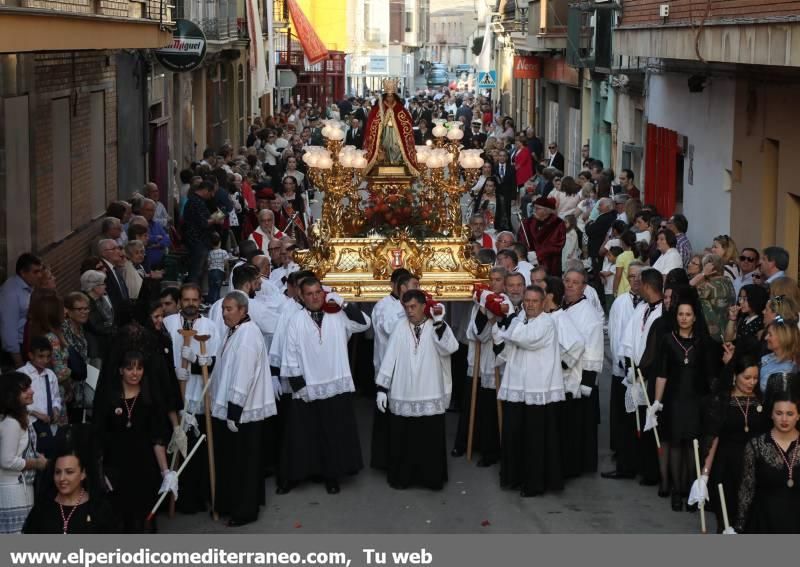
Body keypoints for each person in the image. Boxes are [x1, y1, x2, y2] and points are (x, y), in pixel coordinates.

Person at [278, 279, 371, 495]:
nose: (315, 297)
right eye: (309, 294)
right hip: (308, 387)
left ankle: (332, 476)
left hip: (335, 384)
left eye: (318, 292)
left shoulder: (337, 315)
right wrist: (299, 387)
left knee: (333, 434)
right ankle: (296, 476)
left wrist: (344, 304)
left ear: (324, 293)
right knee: (301, 436)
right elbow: (290, 356)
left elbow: (364, 323)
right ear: (301, 296)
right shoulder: (296, 320)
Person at [375, 290, 458, 490]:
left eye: (413, 307)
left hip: (430, 389)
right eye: (406, 307)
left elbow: (451, 347)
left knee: (429, 439)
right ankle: (403, 478)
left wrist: (439, 323)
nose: (409, 311)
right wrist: (382, 388)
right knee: (404, 439)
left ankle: (432, 479)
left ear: (423, 306)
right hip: (403, 391)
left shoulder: (436, 325)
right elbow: (389, 358)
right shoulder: (399, 328)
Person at [209, 292, 278, 527]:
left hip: (242, 412)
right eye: (223, 309)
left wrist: (234, 409)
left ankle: (244, 510)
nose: (224, 313)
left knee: (243, 464)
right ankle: (236, 503)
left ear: (243, 310)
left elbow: (243, 374)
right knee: (239, 462)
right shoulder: (235, 331)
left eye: (229, 309)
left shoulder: (247, 335)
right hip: (236, 409)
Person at [493, 285, 564, 496]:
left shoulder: (547, 323)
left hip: (537, 389)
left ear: (543, 303)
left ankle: (534, 484)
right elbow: (506, 341)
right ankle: (513, 477)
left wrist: (508, 331)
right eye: (527, 301)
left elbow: (526, 340)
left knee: (534, 440)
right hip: (517, 385)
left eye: (534, 301)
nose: (530, 305)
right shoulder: (520, 320)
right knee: (514, 435)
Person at [650, 291, 716, 511]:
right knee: (676, 444)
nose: (684, 318)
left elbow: (709, 374)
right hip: (674, 400)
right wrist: (657, 402)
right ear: (676, 316)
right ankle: (677, 490)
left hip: (696, 400)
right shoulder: (668, 340)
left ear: (695, 317)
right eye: (681, 314)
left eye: (688, 314)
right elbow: (662, 373)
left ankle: (689, 489)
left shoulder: (701, 342)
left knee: (692, 446)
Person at [92, 351, 171, 533]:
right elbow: (99, 436)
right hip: (116, 469)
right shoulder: (109, 398)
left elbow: (157, 438)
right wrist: (99, 471)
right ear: (120, 370)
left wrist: (165, 471)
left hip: (145, 468)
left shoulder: (149, 398)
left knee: (144, 520)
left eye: (139, 368)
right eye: (129, 368)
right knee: (120, 520)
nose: (135, 373)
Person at [162, 283, 219, 514]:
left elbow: (213, 361)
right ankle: (175, 498)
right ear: (179, 302)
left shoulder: (210, 326)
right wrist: (174, 374)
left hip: (198, 392)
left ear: (200, 301)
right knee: (176, 446)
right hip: (175, 392)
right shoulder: (169, 324)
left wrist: (195, 361)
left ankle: (199, 496)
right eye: (186, 300)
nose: (191, 304)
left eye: (195, 300)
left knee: (197, 449)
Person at [700, 353, 768, 533]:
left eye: (755, 378)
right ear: (734, 376)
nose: (751, 382)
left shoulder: (762, 401)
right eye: (747, 377)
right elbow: (712, 438)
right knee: (726, 520)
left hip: (754, 470)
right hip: (726, 468)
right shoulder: (721, 401)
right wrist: (704, 476)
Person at [734, 381, 800, 533]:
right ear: (771, 414)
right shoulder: (756, 445)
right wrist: (740, 524)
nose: (784, 419)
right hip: (764, 521)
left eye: (790, 414)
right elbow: (747, 488)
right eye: (779, 413)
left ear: (798, 416)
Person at [370, 270, 419, 470]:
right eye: (415, 285)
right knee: (390, 421)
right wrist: (407, 311)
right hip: (389, 370)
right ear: (403, 287)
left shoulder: (413, 306)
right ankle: (388, 462)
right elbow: (390, 329)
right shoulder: (384, 306)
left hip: (409, 369)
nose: (418, 289)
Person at [602, 262, 645, 480]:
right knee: (622, 415)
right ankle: (622, 455)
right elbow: (616, 333)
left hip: (642, 371)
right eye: (633, 276)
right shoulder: (621, 302)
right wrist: (622, 362)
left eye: (640, 277)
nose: (636, 280)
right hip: (624, 369)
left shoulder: (647, 305)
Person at [561, 269, 605, 476]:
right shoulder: (564, 307)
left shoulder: (589, 314)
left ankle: (582, 465)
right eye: (567, 281)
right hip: (563, 376)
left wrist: (587, 383)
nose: (570, 285)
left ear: (583, 286)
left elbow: (594, 349)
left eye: (575, 282)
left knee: (581, 425)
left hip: (580, 379)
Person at [23, 440, 117, 533]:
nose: (62, 478)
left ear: (83, 474)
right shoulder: (43, 507)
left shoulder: (99, 508)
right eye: (58, 472)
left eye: (69, 472)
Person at [0, 372, 48, 533]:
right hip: (12, 490)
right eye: (25, 389)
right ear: (11, 395)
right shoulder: (11, 422)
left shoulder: (19, 419)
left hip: (20, 487)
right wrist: (35, 463)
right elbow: (7, 461)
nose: (31, 391)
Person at [18, 336, 62, 458]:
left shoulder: (50, 375)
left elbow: (56, 398)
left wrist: (56, 409)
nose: (45, 360)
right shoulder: (21, 374)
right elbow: (15, 403)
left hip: (48, 427)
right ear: (31, 355)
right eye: (40, 356)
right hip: (28, 426)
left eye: (48, 357)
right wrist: (35, 413)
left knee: (49, 460)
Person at [363, 80, 419, 174]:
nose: (390, 98)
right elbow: (372, 123)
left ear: (395, 97)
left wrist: (394, 117)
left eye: (392, 96)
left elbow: (407, 123)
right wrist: (382, 119)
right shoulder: (379, 108)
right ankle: (386, 162)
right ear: (385, 96)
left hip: (396, 134)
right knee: (385, 147)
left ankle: (397, 162)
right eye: (388, 96)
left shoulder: (400, 108)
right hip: (385, 132)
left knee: (396, 147)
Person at [0, 253, 43, 369]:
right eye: (35, 272)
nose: (40, 275)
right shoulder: (10, 293)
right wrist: (18, 361)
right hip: (16, 351)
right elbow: (8, 329)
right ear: (23, 273)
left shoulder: (29, 285)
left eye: (40, 270)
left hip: (28, 343)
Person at [518, 197, 566, 277]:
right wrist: (527, 253)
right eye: (534, 208)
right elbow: (521, 239)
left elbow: (557, 245)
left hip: (550, 264)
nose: (534, 210)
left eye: (538, 208)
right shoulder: (527, 222)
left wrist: (537, 254)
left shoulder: (558, 223)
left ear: (547, 210)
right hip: (530, 262)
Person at [693, 254, 736, 342]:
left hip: (711, 335)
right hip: (728, 330)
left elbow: (687, 290)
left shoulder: (707, 287)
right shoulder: (728, 282)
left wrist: (702, 275)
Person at [81, 271, 114, 367]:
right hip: (95, 349)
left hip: (103, 345)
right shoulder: (87, 304)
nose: (106, 286)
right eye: (103, 284)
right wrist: (111, 328)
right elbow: (95, 326)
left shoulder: (100, 300)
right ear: (94, 287)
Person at [759, 321, 800, 393]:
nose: (766, 338)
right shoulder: (771, 356)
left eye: (770, 335)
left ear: (783, 339)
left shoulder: (786, 371)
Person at [207, 232, 229, 305]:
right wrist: (226, 271)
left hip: (211, 272)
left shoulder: (210, 253)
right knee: (217, 287)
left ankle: (210, 300)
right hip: (219, 272)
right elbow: (226, 263)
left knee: (211, 287)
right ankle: (216, 301)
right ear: (220, 242)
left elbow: (208, 263)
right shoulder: (224, 252)